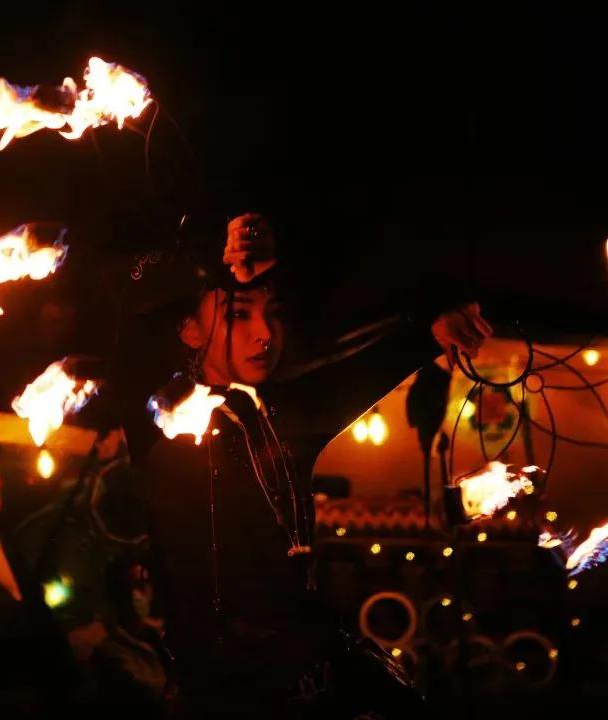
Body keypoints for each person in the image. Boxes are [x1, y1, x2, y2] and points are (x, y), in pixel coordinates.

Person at [137, 213, 492, 716]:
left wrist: (429, 330)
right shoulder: (157, 423)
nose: (265, 334)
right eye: (239, 314)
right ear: (189, 329)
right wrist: (206, 253)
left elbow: (358, 361)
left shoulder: (285, 413)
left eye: (274, 313)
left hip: (307, 679)